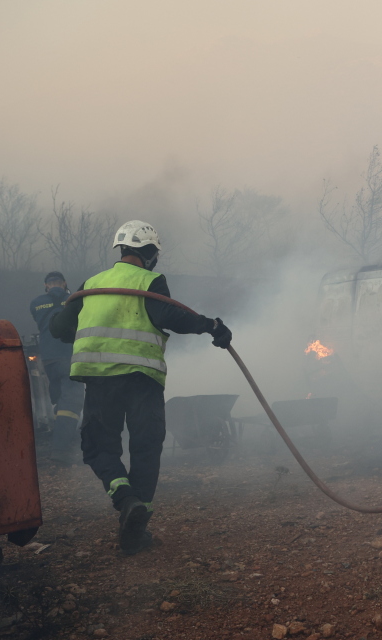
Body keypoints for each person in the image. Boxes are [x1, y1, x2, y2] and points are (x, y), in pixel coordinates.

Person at [51, 220, 233, 555]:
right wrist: (212, 327)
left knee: (99, 448)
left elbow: (60, 328)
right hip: (141, 380)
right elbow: (172, 316)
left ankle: (126, 500)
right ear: (150, 254)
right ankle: (137, 522)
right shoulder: (151, 281)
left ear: (122, 249)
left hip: (100, 380)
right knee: (146, 447)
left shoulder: (91, 284)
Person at [29, 271, 85, 463]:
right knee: (72, 401)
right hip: (70, 355)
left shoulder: (36, 303)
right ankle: (60, 449)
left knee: (60, 399)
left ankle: (64, 434)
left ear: (46, 285)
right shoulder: (73, 299)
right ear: (64, 283)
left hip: (49, 359)